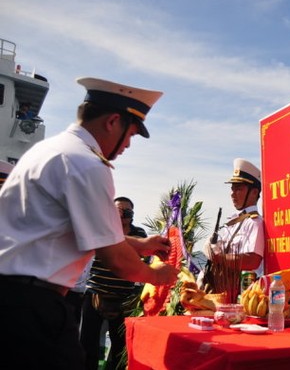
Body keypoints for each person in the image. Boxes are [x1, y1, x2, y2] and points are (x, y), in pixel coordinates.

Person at [0, 77, 179, 370]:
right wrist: (159, 276)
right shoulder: (86, 163)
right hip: (32, 308)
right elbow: (116, 259)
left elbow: (79, 231)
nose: (128, 146)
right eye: (131, 134)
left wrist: (142, 244)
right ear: (112, 121)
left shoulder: (48, 150)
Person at [80, 196, 148, 370]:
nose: (124, 214)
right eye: (119, 211)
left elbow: (141, 260)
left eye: (128, 211)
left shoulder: (140, 234)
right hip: (95, 292)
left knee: (120, 346)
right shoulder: (103, 231)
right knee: (87, 343)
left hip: (124, 297)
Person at [199, 158, 265, 300]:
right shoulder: (233, 222)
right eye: (232, 188)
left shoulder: (255, 223)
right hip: (221, 293)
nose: (233, 193)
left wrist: (220, 258)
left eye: (239, 189)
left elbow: (252, 261)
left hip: (242, 295)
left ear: (254, 192)